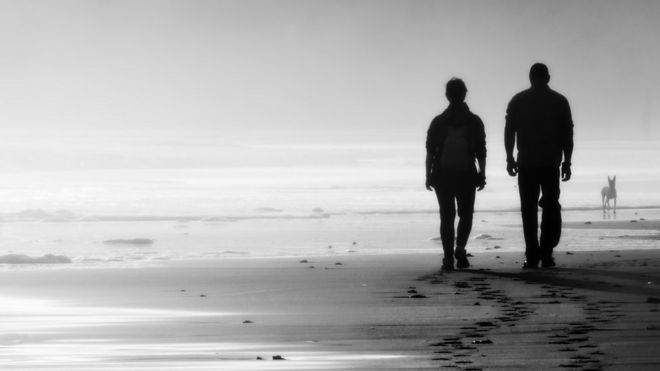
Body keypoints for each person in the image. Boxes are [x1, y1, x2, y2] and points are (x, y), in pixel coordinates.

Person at [504, 63, 574, 268]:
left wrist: (509, 157)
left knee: (529, 210)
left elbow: (509, 132)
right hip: (550, 163)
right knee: (550, 207)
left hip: (527, 163)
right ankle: (546, 252)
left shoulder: (518, 100)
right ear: (548, 78)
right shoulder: (560, 101)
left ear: (530, 78)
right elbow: (567, 135)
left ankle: (533, 254)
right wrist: (567, 161)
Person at [426, 78, 486, 271]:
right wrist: (482, 173)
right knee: (466, 214)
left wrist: (428, 174)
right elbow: (481, 151)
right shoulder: (474, 121)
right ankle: (460, 247)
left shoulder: (439, 121)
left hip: (443, 175)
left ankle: (448, 258)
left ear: (447, 96)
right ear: (465, 94)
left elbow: (430, 151)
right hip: (466, 174)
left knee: (447, 216)